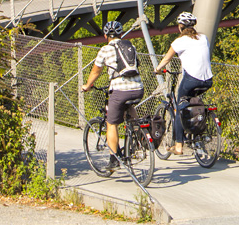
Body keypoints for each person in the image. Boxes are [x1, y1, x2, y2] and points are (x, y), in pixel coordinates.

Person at [81, 20, 143, 169]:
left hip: (120, 90)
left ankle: (114, 159)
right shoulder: (130, 46)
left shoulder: (104, 50)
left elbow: (96, 71)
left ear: (105, 36)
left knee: (111, 124)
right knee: (129, 106)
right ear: (121, 34)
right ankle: (138, 136)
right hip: (138, 88)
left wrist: (87, 86)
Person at [154, 11, 214, 156]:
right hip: (208, 80)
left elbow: (167, 59)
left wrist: (157, 69)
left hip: (192, 79)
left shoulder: (179, 41)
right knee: (191, 102)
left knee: (180, 108)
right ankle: (197, 131)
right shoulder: (204, 38)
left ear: (180, 27)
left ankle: (179, 145)